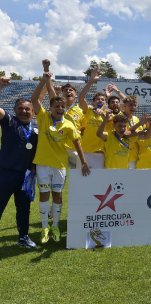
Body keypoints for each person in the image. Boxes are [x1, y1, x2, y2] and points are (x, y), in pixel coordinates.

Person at [32, 69, 90, 244]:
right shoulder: (43, 118)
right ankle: (44, 228)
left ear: (65, 108)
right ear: (51, 108)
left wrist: (84, 162)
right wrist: (43, 80)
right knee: (44, 195)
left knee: (57, 195)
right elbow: (34, 100)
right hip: (42, 164)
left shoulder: (69, 124)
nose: (58, 108)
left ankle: (55, 226)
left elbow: (77, 144)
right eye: (55, 106)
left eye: (61, 106)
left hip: (59, 166)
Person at [0, 77, 38, 248]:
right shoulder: (9, 122)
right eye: (20, 108)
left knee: (24, 209)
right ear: (14, 110)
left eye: (27, 108)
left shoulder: (36, 130)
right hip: (6, 173)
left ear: (33, 111)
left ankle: (23, 238)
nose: (24, 111)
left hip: (25, 176)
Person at [77, 66, 107, 168]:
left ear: (105, 102)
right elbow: (81, 98)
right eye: (97, 99)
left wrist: (103, 114)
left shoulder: (108, 114)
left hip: (100, 153)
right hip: (85, 151)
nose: (100, 101)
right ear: (93, 101)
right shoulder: (88, 110)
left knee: (98, 182)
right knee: (81, 181)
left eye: (102, 99)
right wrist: (91, 81)